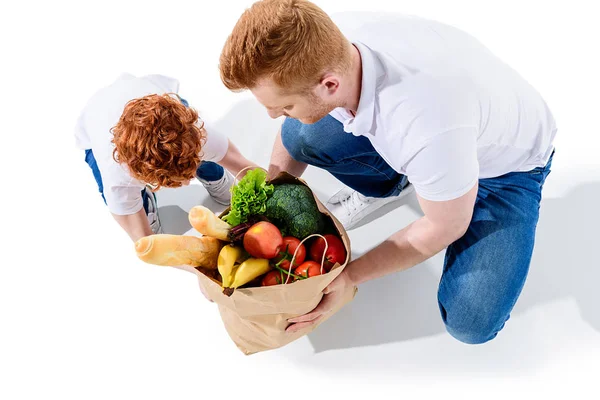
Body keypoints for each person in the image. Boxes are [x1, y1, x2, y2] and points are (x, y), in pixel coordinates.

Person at [218, 0, 557, 344]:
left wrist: (349, 277)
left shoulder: (425, 126)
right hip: (449, 134)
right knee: (300, 133)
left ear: (330, 85)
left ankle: (438, 183)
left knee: (471, 321)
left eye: (285, 105)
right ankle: (404, 180)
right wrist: (269, 201)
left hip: (507, 171)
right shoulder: (325, 41)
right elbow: (293, 127)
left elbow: (445, 226)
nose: (275, 115)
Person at [75, 73, 258, 243]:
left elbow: (245, 167)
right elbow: (146, 244)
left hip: (160, 98)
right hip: (93, 136)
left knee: (200, 153)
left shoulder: (197, 132)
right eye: (178, 179)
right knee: (140, 221)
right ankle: (143, 202)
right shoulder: (119, 179)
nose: (187, 183)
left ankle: (213, 174)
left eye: (189, 172)